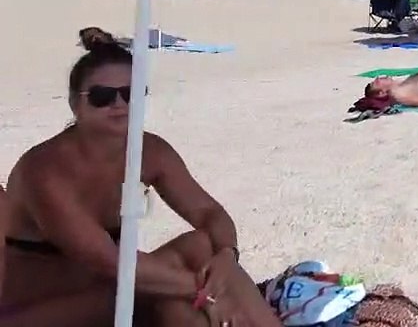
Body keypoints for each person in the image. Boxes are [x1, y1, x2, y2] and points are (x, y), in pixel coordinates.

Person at [2, 31, 282, 326]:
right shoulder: (44, 171)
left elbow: (208, 212)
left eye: (131, 93)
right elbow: (108, 261)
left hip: (110, 291)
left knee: (201, 248)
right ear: (75, 104)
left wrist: (227, 256)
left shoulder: (149, 151)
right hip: (39, 309)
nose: (119, 104)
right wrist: (209, 290)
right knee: (179, 293)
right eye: (101, 96)